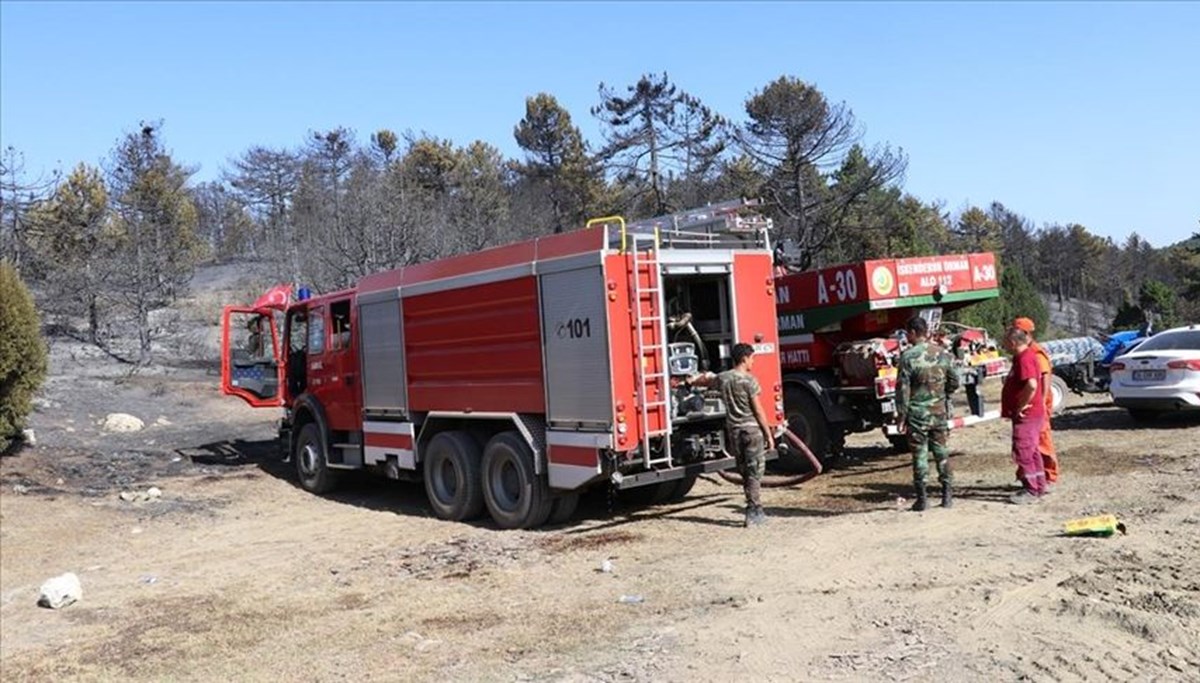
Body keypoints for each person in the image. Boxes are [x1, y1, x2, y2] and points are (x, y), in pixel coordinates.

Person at [689, 343, 776, 527]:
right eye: (752, 358)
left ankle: (752, 507)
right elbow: (758, 410)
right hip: (752, 431)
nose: (753, 362)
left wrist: (689, 381)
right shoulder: (749, 380)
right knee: (755, 472)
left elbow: (707, 379)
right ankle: (754, 511)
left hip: (735, 432)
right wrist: (768, 434)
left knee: (744, 471)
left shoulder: (724, 378)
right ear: (744, 359)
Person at [895, 315, 961, 511]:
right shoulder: (943, 354)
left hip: (917, 415)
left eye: (908, 332)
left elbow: (902, 391)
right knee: (941, 452)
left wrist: (901, 416)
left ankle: (922, 499)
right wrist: (942, 395)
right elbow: (954, 381)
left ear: (914, 333)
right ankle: (947, 495)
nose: (907, 336)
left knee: (920, 454)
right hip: (939, 411)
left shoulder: (908, 357)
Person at [1001, 326, 1047, 504]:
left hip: (1027, 414)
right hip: (1030, 412)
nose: (1003, 345)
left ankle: (1031, 489)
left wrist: (1021, 406)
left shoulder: (1025, 358)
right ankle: (1039, 484)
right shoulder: (1021, 357)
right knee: (1032, 450)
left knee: (1023, 450)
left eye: (1005, 342)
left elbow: (1032, 384)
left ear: (1013, 342)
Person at [1012, 317, 1059, 488]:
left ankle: (1048, 476)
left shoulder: (1035, 353)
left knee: (1041, 442)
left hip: (1036, 406)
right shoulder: (1024, 352)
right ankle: (1031, 476)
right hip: (1034, 404)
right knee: (1032, 443)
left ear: (1024, 333)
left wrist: (1042, 403)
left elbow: (1042, 380)